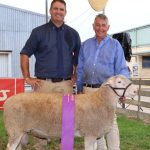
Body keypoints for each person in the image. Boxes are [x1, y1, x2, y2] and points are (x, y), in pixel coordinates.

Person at [76, 14, 129, 150]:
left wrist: (123, 90)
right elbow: (80, 68)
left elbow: (121, 69)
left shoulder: (115, 45)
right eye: (97, 25)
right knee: (93, 123)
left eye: (103, 25)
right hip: (88, 90)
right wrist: (80, 87)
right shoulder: (85, 45)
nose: (100, 28)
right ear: (93, 26)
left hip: (108, 91)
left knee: (110, 122)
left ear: (108, 27)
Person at [20, 0, 81, 94]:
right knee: (41, 109)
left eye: (61, 9)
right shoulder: (38, 32)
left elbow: (78, 58)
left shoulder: (73, 34)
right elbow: (24, 54)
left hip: (67, 85)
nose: (58, 11)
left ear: (65, 12)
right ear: (50, 11)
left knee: (68, 109)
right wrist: (27, 78)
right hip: (43, 86)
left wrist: (76, 75)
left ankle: (67, 110)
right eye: (55, 8)